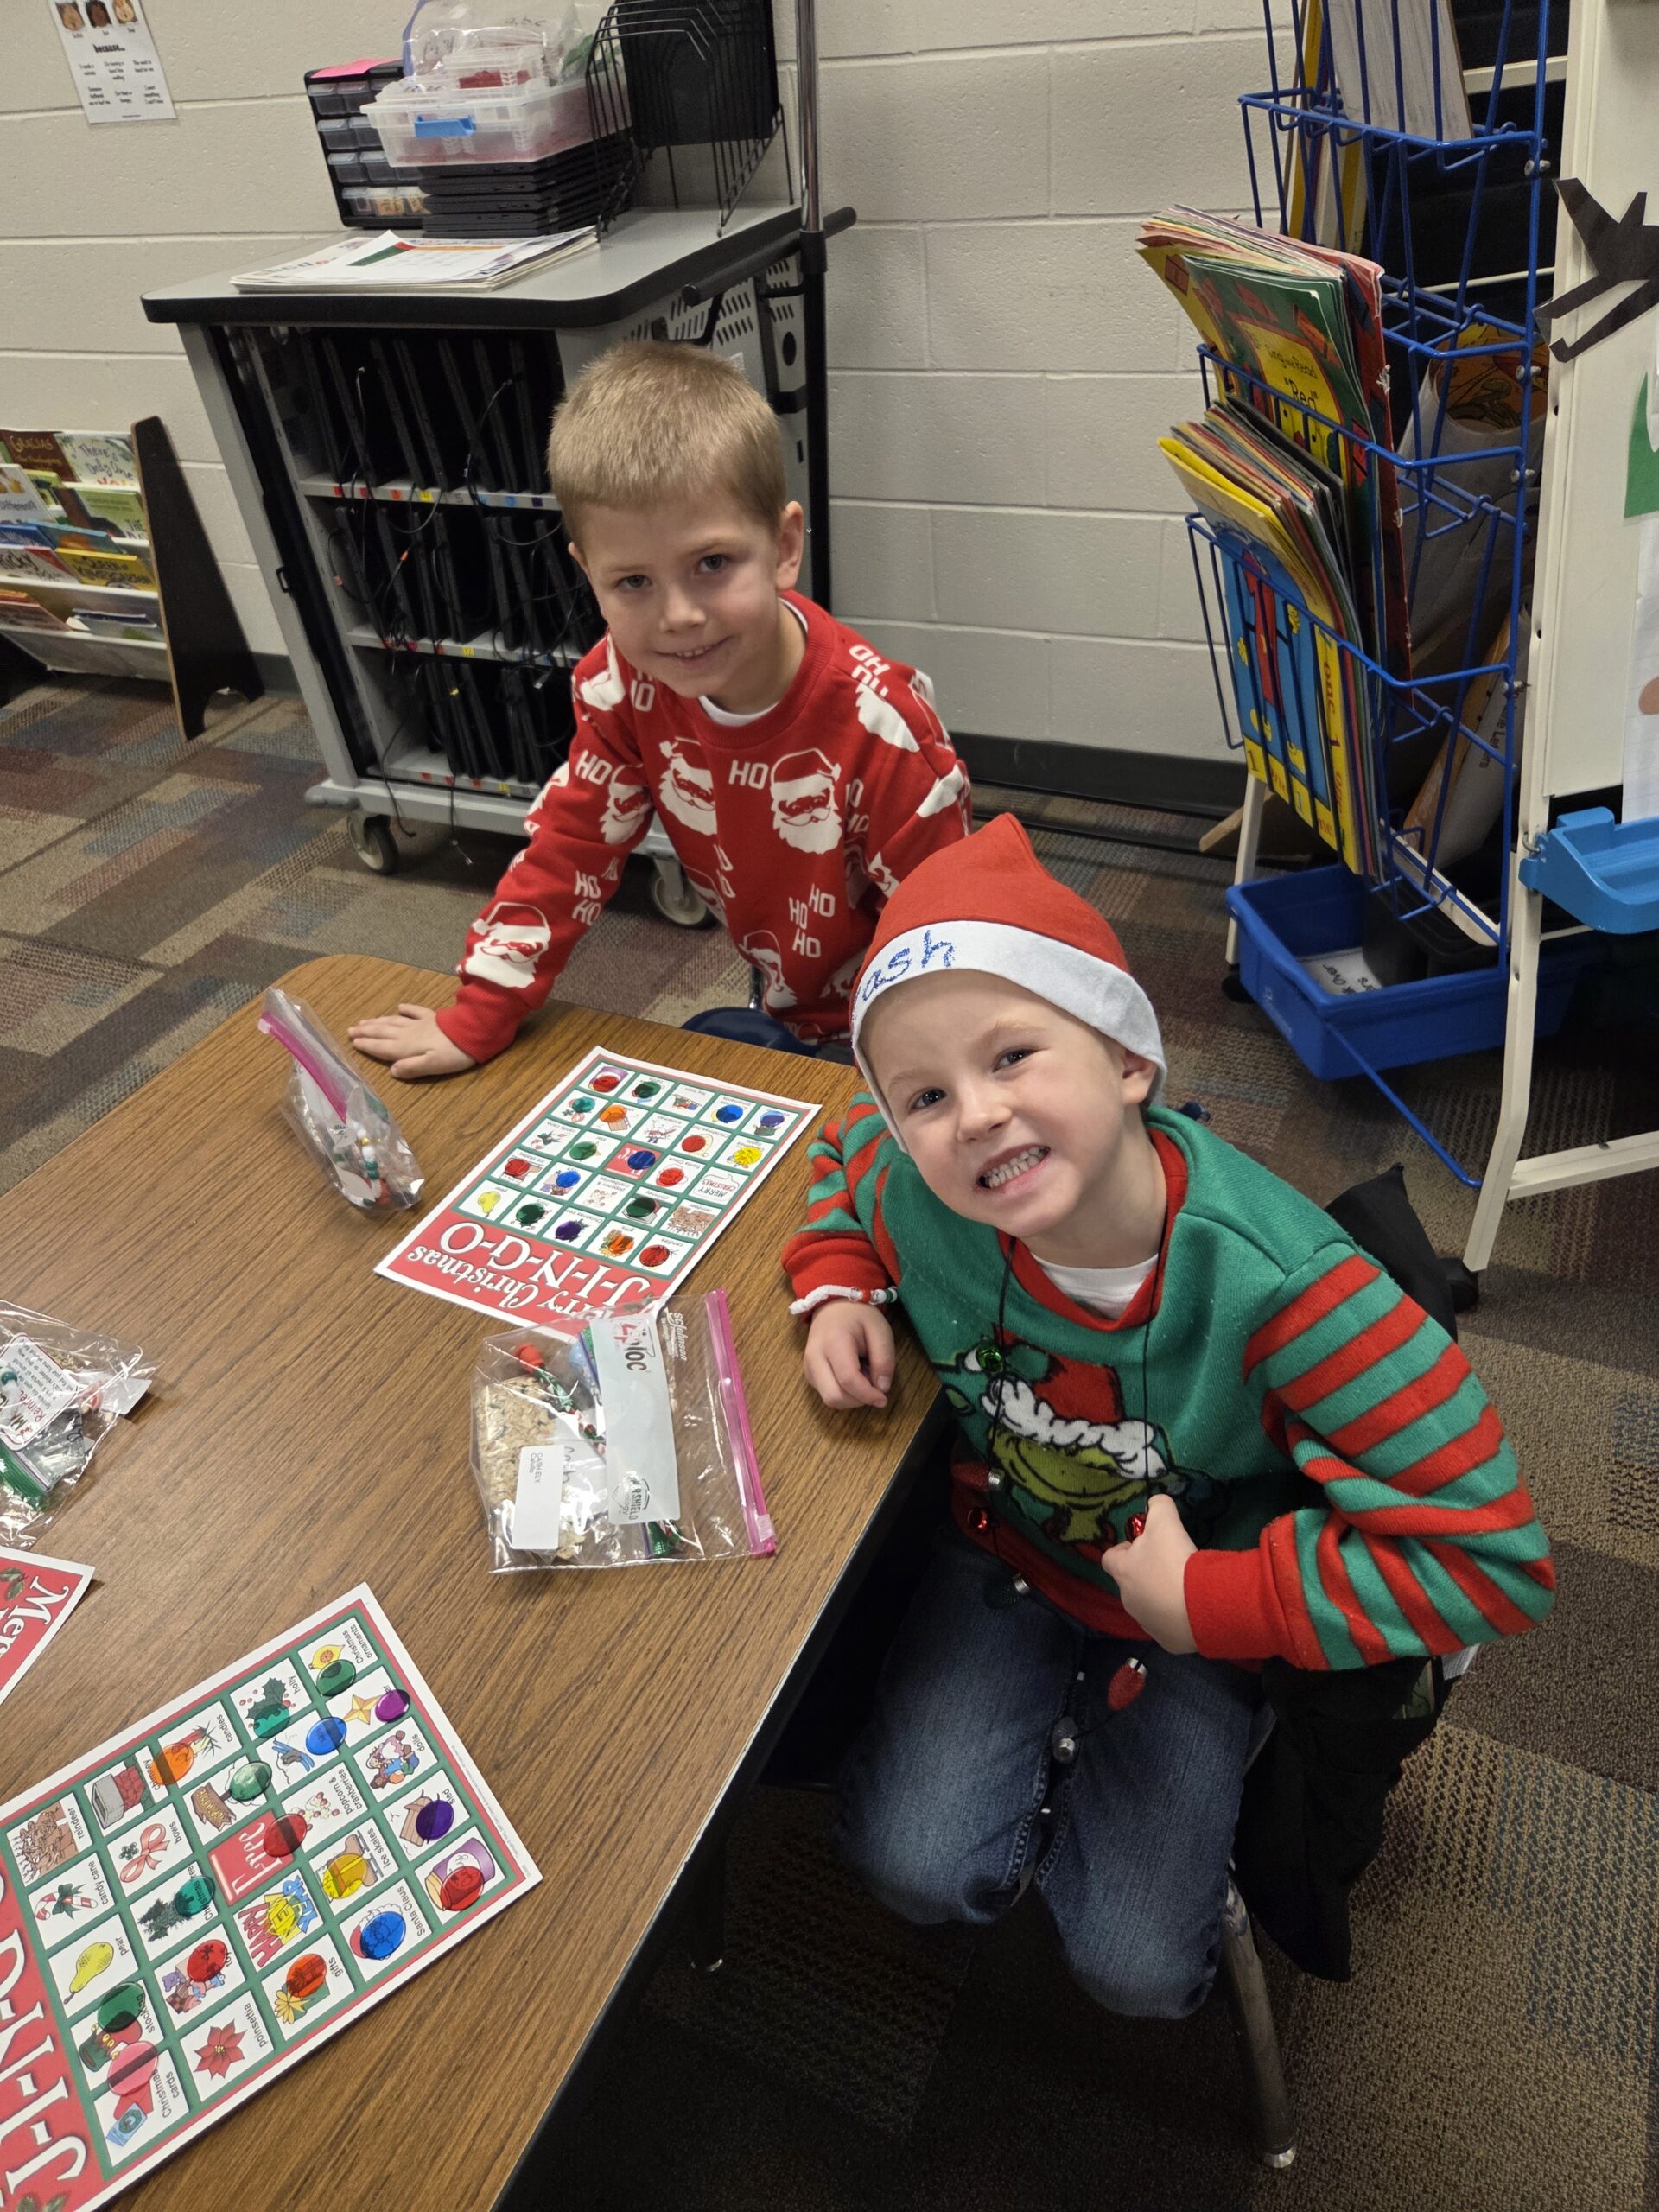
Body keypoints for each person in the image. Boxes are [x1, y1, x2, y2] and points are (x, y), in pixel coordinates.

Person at [783, 814, 1554, 2019]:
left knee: (1136, 1974)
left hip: (1198, 1609)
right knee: (908, 1868)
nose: (974, 1115)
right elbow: (841, 1152)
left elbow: (1492, 1556)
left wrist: (1211, 1603)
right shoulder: (921, 1189)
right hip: (1011, 1552)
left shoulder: (1285, 1289)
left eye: (1014, 1056)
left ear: (1129, 1061)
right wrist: (837, 1278)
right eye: (926, 1094)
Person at [349, 341, 970, 1080]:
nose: (679, 617)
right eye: (634, 581)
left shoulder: (883, 729)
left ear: (783, 546)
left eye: (712, 564)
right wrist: (480, 1013)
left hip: (913, 1016)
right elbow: (570, 848)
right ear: (588, 576)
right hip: (783, 986)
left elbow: (956, 932)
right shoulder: (624, 686)